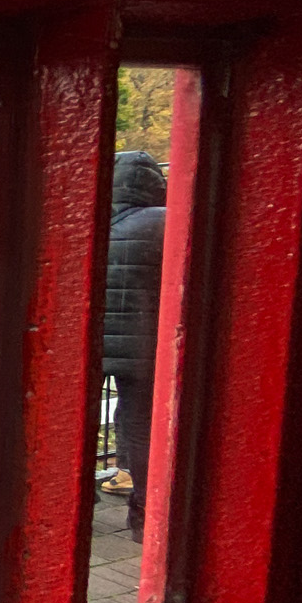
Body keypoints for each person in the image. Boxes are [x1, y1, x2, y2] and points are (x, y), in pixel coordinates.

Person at [102, 150, 167, 543]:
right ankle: (142, 517)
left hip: (87, 348)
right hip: (144, 346)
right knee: (140, 424)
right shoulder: (164, 222)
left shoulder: (89, 220)